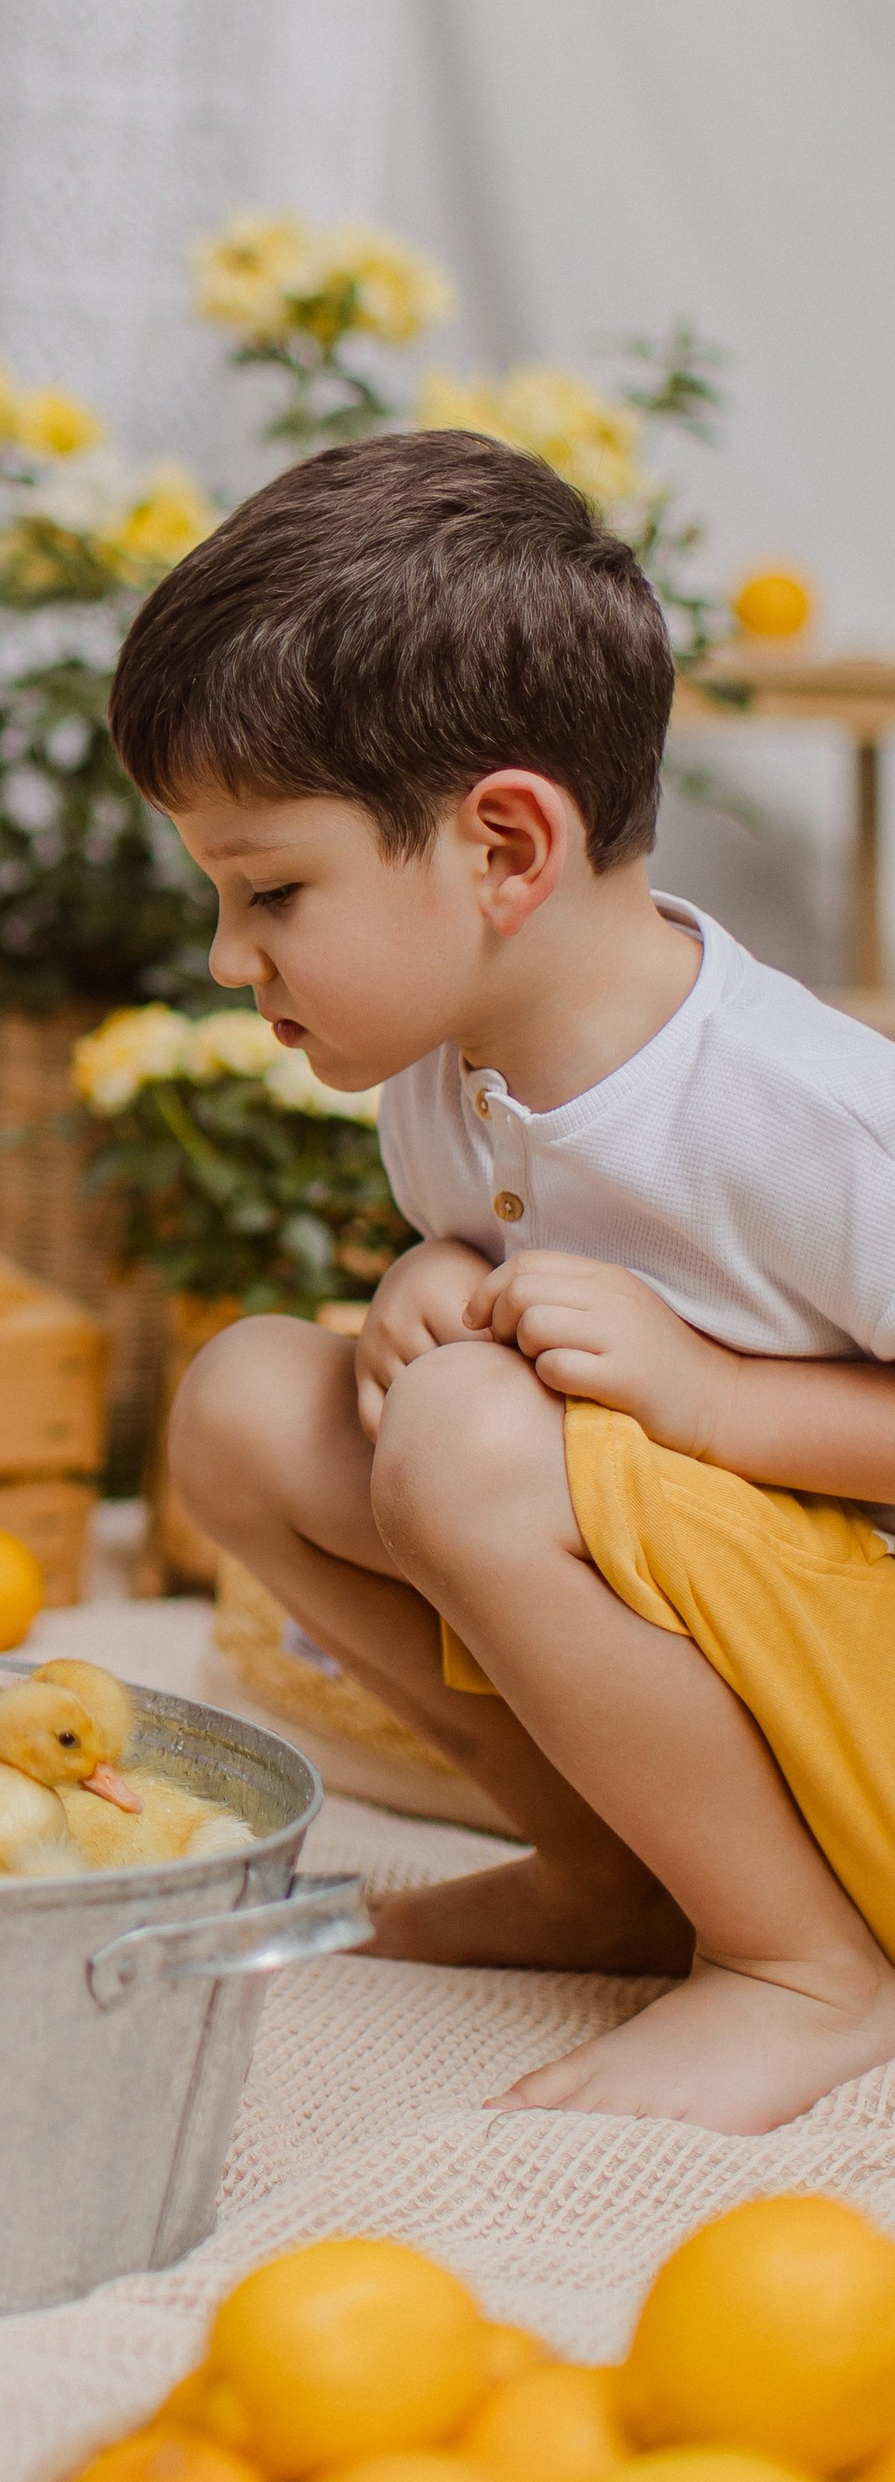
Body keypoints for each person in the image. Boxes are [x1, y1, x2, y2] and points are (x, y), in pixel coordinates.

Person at [110, 427, 895, 2138]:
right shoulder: (450, 1069)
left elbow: (654, 1389)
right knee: (249, 1401)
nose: (233, 959)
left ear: (506, 851)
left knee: (466, 1437)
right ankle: (613, 1871)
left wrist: (719, 1397)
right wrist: (441, 1274)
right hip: (749, 1649)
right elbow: (546, 1291)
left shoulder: (801, 1111)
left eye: (272, 892)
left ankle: (800, 1966)